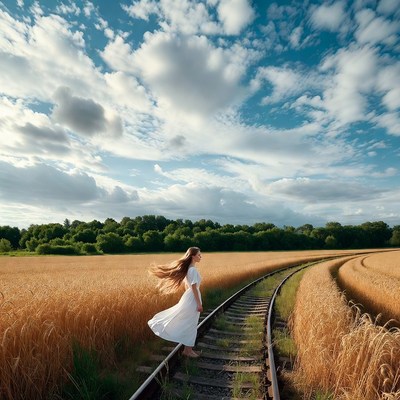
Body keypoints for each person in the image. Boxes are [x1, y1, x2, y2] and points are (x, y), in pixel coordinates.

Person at [148, 247, 203, 358]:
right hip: (193, 299)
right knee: (191, 324)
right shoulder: (192, 270)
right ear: (192, 256)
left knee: (190, 323)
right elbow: (193, 287)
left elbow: (189, 286)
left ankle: (188, 350)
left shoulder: (189, 269)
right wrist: (198, 304)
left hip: (190, 297)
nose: (200, 257)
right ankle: (188, 351)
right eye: (198, 255)